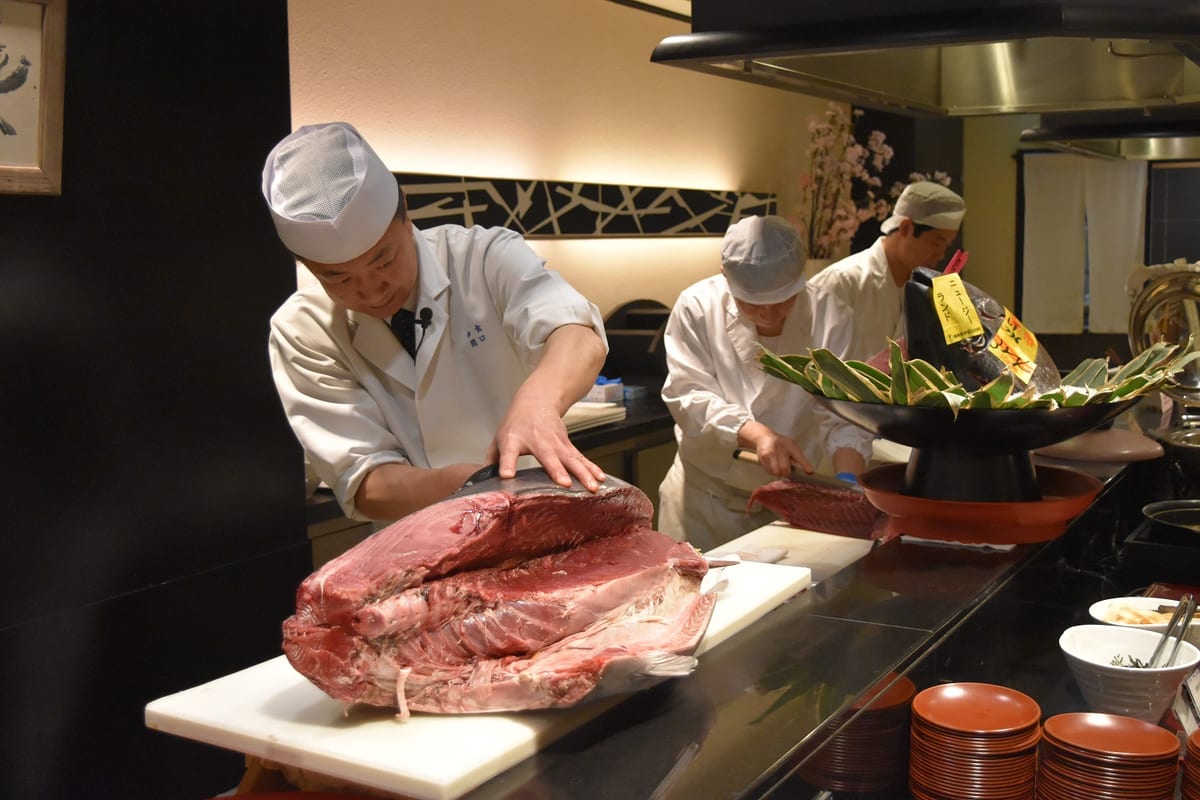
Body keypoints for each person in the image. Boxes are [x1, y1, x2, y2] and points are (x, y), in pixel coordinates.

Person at [262, 122, 609, 522]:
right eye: (338, 279)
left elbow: (576, 334)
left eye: (384, 260)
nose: (371, 293)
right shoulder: (302, 330)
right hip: (417, 539)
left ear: (405, 213)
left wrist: (538, 404)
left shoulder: (483, 257)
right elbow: (364, 482)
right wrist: (470, 486)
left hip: (534, 515)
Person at [656, 215, 874, 551]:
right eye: (752, 305)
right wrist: (758, 435)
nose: (768, 316)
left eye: (783, 302)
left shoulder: (832, 317)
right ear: (725, 275)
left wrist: (848, 488)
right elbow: (689, 396)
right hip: (706, 501)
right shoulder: (697, 307)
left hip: (794, 502)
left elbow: (846, 413)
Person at [808, 181, 966, 361]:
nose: (941, 254)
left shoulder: (925, 290)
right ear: (906, 228)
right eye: (936, 243)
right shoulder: (840, 281)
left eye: (947, 245)